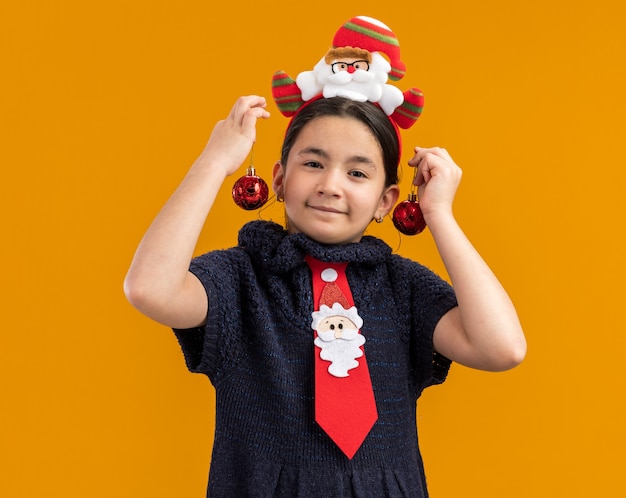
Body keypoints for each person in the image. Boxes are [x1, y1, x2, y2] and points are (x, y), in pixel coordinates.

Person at [124, 94, 526, 497]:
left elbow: (501, 347)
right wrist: (212, 163)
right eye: (313, 164)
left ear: (386, 201)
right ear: (279, 180)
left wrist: (439, 214)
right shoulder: (238, 279)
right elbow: (150, 288)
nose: (330, 185)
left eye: (357, 173)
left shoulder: (404, 288)